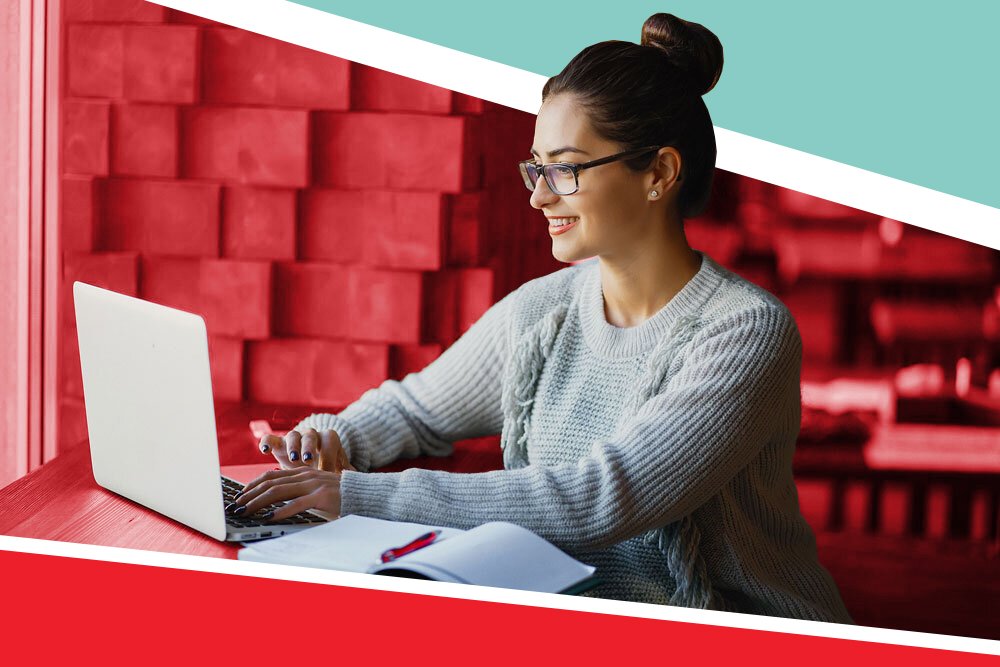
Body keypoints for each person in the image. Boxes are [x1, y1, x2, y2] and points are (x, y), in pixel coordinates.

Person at [232, 12, 854, 623]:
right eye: (537, 165)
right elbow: (416, 410)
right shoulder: (546, 309)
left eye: (566, 168)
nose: (538, 194)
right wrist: (329, 441)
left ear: (659, 172)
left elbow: (601, 498)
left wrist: (358, 496)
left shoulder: (745, 333)